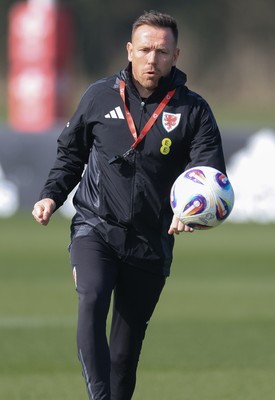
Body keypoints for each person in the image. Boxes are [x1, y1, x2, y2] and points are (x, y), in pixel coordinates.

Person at [32, 10, 226, 400]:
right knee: (91, 298)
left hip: (151, 239)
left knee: (124, 352)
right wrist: (52, 195)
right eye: (145, 49)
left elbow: (207, 170)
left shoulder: (194, 110)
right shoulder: (99, 95)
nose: (152, 59)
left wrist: (190, 212)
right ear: (129, 50)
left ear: (176, 55)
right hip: (96, 226)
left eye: (162, 51)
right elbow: (71, 154)